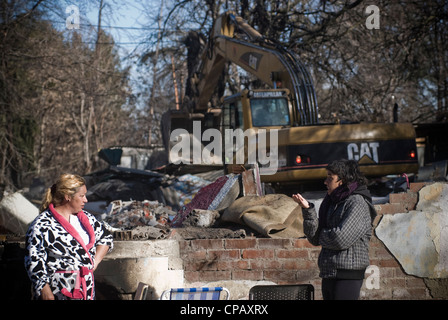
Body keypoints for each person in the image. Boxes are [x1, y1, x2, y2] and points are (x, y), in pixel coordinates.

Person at [293, 159, 377, 300]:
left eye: (330, 177)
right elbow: (314, 238)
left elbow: (340, 239)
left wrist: (321, 234)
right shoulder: (333, 202)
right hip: (330, 272)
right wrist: (308, 210)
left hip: (347, 274)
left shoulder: (357, 202)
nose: (325, 181)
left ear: (342, 180)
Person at [25, 173, 113, 300]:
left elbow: (106, 238)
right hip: (59, 291)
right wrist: (44, 289)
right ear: (68, 197)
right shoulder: (42, 225)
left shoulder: (87, 219)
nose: (86, 200)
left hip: (86, 290)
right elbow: (33, 259)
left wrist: (94, 262)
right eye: (82, 196)